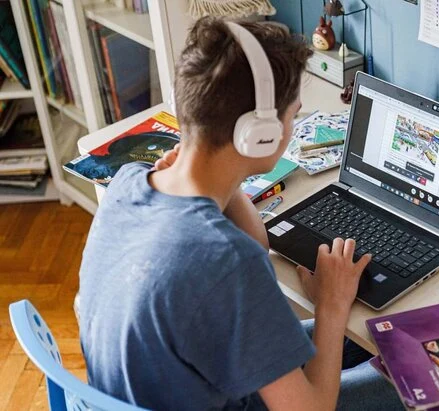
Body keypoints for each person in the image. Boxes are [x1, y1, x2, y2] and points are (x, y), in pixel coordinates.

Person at [76, 17, 402, 411]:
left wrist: (214, 170)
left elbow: (256, 243)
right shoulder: (228, 262)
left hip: (138, 394)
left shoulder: (128, 183)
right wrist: (331, 306)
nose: (292, 126)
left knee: (371, 338)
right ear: (259, 135)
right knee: (415, 374)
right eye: (292, 116)